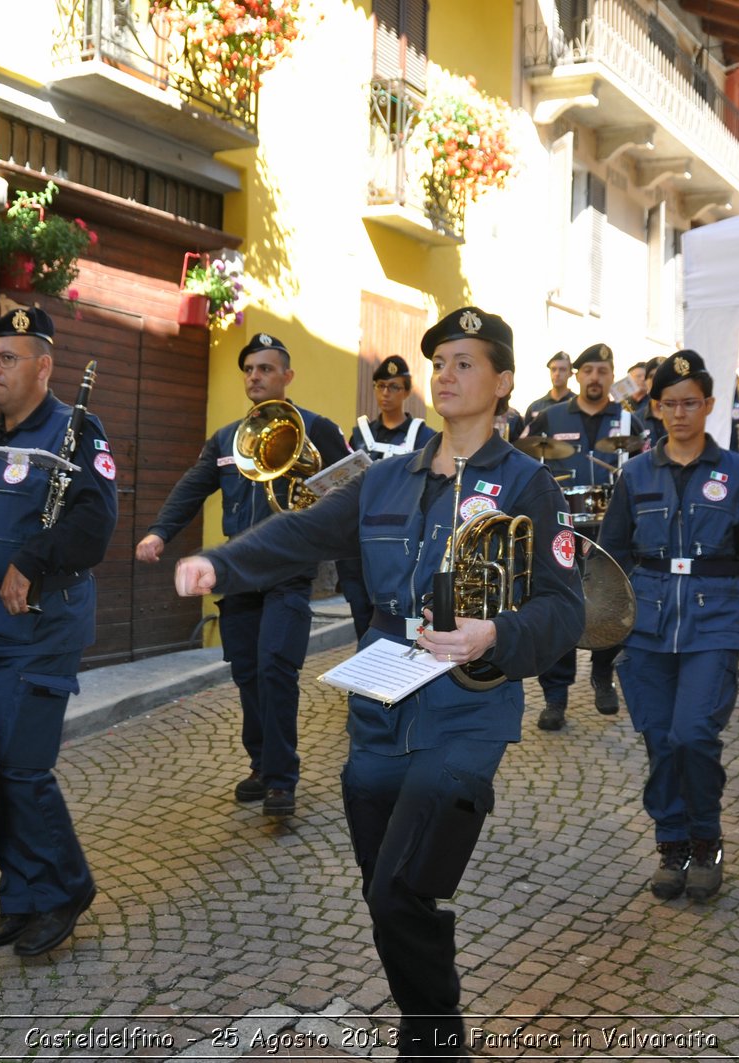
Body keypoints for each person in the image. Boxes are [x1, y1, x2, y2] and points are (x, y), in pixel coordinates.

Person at [172, 306, 583, 1059]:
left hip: (468, 714)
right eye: (441, 362)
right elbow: (301, 533)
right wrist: (221, 564)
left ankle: (432, 1043)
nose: (447, 375)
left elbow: (566, 610)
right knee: (389, 894)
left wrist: (495, 632)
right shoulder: (386, 478)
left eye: (466, 362)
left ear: (503, 382)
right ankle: (432, 1023)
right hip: (379, 710)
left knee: (400, 889)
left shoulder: (529, 484)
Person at [0, 307, 116, 957]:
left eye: (7, 357)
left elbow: (94, 523)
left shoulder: (75, 433)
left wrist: (32, 559)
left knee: (21, 766)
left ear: (43, 367)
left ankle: (65, 886)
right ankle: (22, 898)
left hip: (40, 626)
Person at [135, 333, 349, 817]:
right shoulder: (227, 438)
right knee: (248, 672)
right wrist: (159, 532)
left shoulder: (319, 428)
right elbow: (192, 488)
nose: (255, 377)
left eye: (266, 369)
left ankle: (281, 778)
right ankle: (261, 763)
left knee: (276, 666)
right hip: (236, 574)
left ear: (287, 376)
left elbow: (353, 486)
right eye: (249, 369)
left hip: (289, 572)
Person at [599, 349, 739, 903]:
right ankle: (671, 846)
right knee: (658, 739)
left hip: (716, 618)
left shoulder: (737, 472)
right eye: (669, 404)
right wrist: (605, 629)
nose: (679, 414)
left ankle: (707, 840)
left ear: (709, 406)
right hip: (647, 621)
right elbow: (613, 554)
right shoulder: (634, 474)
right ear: (655, 408)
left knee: (693, 735)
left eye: (690, 403)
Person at [524, 343, 631, 728]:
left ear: (611, 374)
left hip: (612, 528)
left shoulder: (628, 419)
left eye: (603, 371)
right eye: (588, 371)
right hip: (561, 528)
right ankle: (555, 697)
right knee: (557, 605)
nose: (595, 378)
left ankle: (603, 675)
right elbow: (524, 458)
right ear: (577, 375)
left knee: (611, 601)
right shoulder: (549, 417)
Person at [343, 355, 436, 636]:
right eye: (380, 386)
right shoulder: (360, 435)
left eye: (394, 387)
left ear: (407, 391)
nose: (386, 393)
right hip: (359, 538)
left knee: (402, 615)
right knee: (362, 611)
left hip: (403, 541)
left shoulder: (424, 436)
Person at [523, 350, 574, 421]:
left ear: (571, 373)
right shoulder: (535, 408)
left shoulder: (579, 404)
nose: (557, 374)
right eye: (553, 369)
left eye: (562, 369)